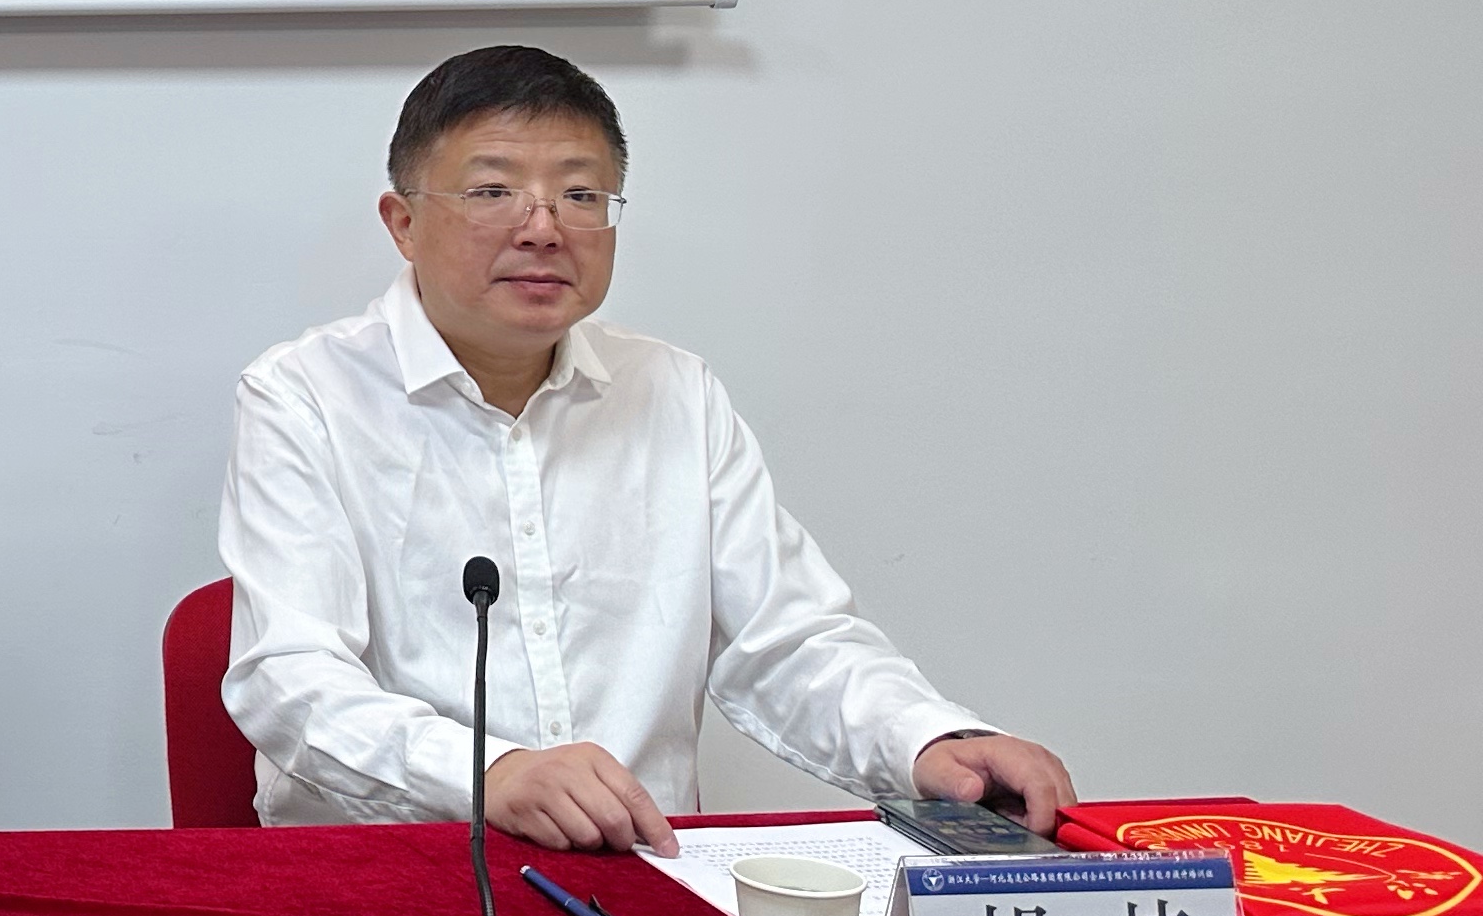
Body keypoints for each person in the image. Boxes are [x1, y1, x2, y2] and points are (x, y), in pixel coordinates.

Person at [217, 45, 1072, 854]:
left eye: (581, 195)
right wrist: (489, 775)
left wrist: (929, 742)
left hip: (637, 870)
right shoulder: (304, 395)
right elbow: (290, 679)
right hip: (390, 867)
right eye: (492, 191)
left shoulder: (675, 391)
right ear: (403, 222)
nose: (544, 227)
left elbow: (788, 638)